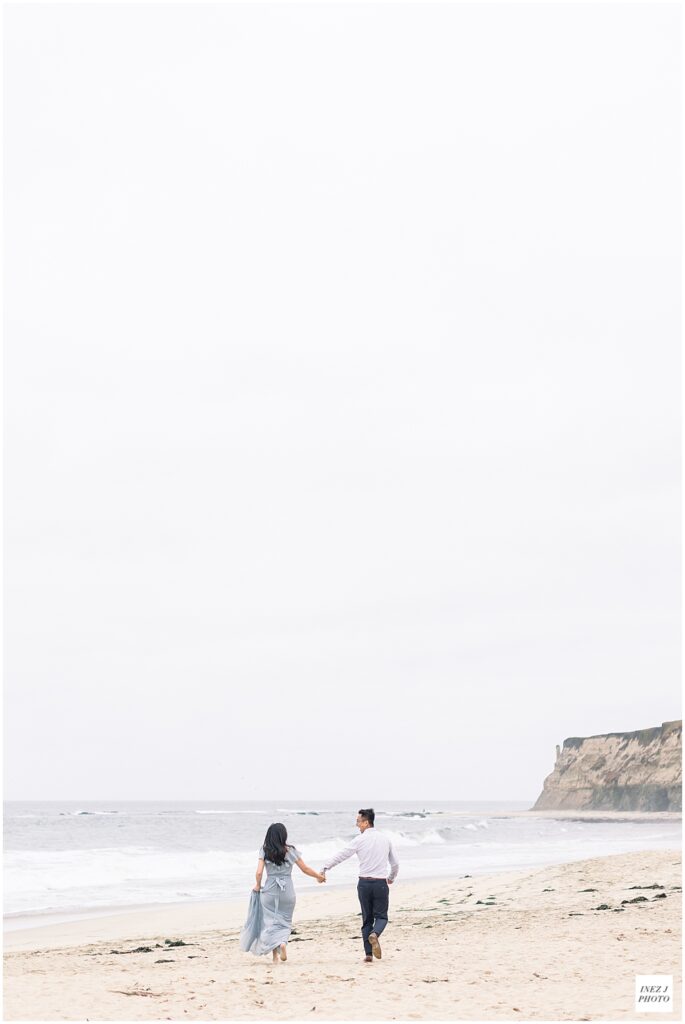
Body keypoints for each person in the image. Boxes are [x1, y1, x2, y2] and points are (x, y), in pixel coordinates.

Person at [321, 808, 399, 964]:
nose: (357, 825)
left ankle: (368, 954)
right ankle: (375, 934)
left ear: (366, 822)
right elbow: (395, 863)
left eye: (358, 822)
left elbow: (342, 855)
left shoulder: (359, 840)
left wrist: (325, 868)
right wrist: (391, 878)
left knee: (366, 919)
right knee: (382, 917)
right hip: (380, 883)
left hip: (364, 884)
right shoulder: (385, 839)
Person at [243, 822, 325, 962]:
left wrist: (257, 885)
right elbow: (305, 869)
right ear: (283, 835)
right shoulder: (291, 850)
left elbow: (258, 873)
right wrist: (319, 876)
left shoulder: (264, 850)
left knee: (270, 922)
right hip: (287, 891)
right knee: (284, 922)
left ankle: (276, 952)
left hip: (270, 890)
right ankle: (281, 945)